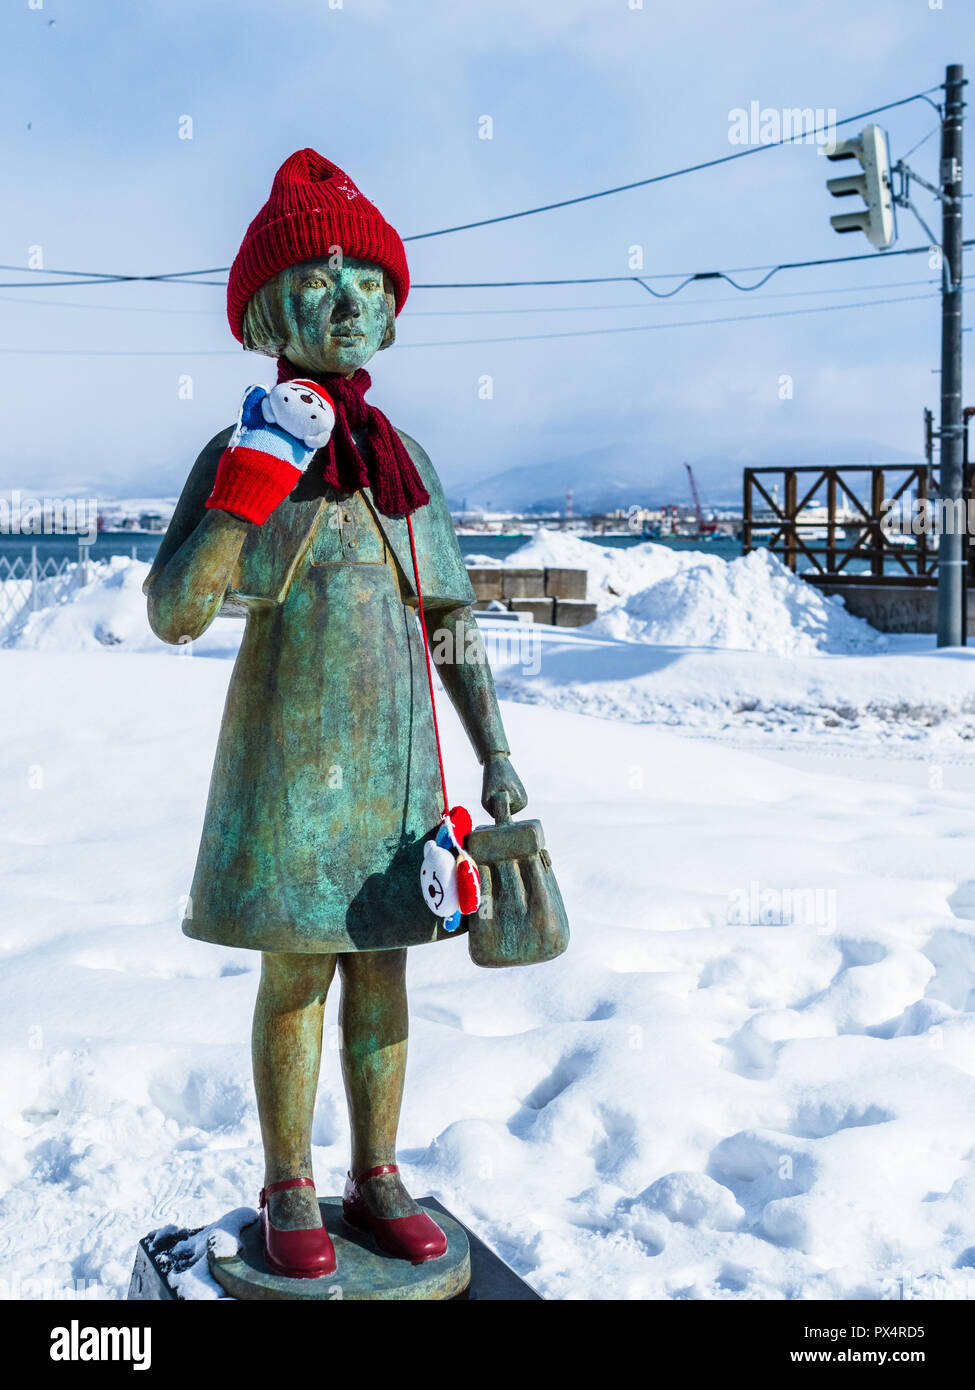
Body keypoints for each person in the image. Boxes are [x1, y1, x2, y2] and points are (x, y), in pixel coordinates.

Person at [145, 149, 526, 1278]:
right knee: (297, 973)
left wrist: (496, 749)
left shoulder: (405, 464)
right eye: (317, 276)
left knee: (386, 967)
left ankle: (377, 1172)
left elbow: (449, 614)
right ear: (268, 306)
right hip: (286, 759)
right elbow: (176, 610)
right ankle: (287, 1180)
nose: (349, 296)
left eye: (369, 277)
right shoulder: (246, 449)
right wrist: (249, 487)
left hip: (396, 767)